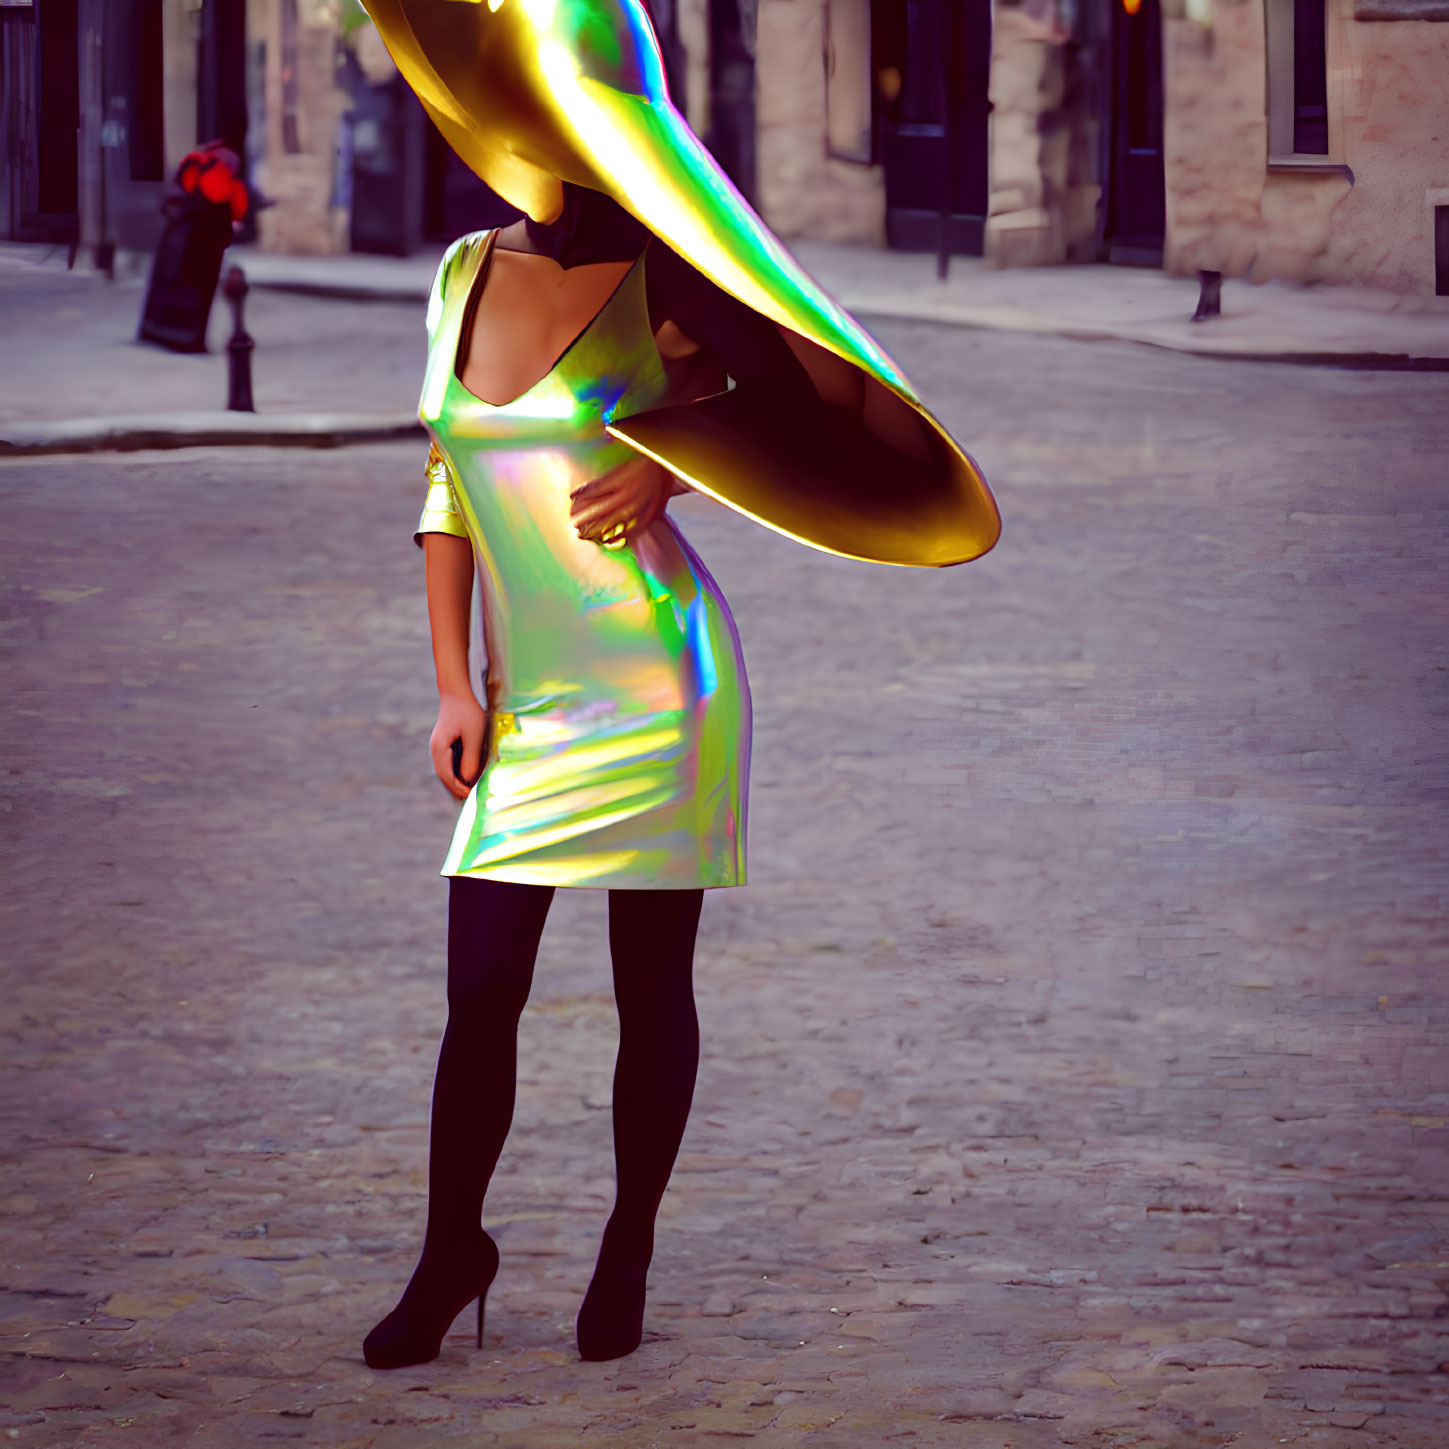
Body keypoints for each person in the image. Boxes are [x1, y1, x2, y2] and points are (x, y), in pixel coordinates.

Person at [358, 0, 1000, 1371]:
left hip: (659, 675)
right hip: (525, 698)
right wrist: (449, 684)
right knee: (480, 990)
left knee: (652, 988)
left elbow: (832, 407)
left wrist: (675, 452)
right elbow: (444, 482)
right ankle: (448, 1250)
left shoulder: (670, 282)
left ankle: (627, 1237)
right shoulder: (463, 270)